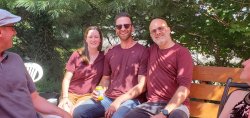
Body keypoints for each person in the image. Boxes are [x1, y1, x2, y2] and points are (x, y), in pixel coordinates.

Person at [73, 12, 149, 118]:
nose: (123, 28)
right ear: (116, 30)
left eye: (126, 25)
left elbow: (142, 86)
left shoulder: (143, 51)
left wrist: (118, 101)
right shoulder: (111, 52)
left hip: (131, 100)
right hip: (108, 98)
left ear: (132, 28)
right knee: (79, 111)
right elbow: (106, 79)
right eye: (119, 26)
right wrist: (98, 91)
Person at [0, 9, 71, 118]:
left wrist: (64, 114)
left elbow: (34, 98)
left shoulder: (15, 59)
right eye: (12, 28)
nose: (15, 32)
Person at [125, 18, 193, 118]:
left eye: (161, 28)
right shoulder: (150, 51)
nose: (157, 32)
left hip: (177, 105)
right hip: (152, 104)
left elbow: (184, 88)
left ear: (169, 30)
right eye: (153, 31)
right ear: (151, 35)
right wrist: (113, 47)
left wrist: (164, 113)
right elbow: (131, 50)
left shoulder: (182, 53)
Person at [58, 26, 104, 114]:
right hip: (70, 94)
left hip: (88, 96)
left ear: (100, 40)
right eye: (90, 37)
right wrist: (65, 97)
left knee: (75, 112)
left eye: (96, 37)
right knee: (65, 112)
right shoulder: (77, 54)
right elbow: (66, 79)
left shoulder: (104, 57)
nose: (93, 39)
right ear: (86, 39)